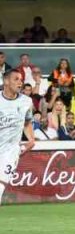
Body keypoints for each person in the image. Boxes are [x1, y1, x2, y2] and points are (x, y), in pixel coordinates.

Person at [0, 69, 37, 206]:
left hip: (10, 151)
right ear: (6, 81)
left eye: (21, 79)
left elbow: (27, 122)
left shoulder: (26, 101)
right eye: (16, 79)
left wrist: (31, 140)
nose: (20, 82)